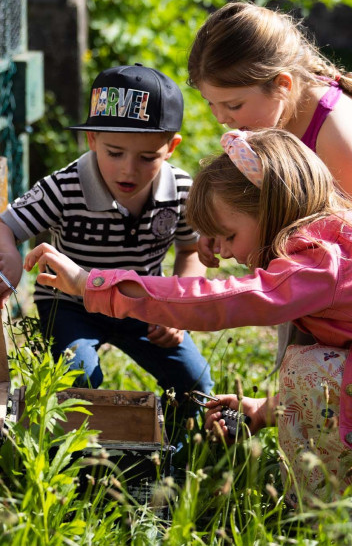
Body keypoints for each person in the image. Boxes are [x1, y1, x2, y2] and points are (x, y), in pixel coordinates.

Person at [24, 128, 352, 508]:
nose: (226, 253)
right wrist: (264, 409)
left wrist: (92, 283)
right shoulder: (336, 240)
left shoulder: (318, 266)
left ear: (270, 211)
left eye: (229, 236)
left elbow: (215, 302)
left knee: (305, 368)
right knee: (312, 367)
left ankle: (331, 515)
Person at [0, 63, 212, 433]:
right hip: (70, 306)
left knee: (194, 385)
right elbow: (6, 225)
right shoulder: (64, 187)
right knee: (77, 379)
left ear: (171, 146)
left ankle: (174, 455)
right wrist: (11, 261)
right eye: (114, 152)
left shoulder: (180, 190)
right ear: (92, 140)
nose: (128, 170)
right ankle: (83, 456)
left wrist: (177, 310)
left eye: (147, 158)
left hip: (144, 305)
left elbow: (190, 251)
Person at [187, 0, 352, 364]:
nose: (221, 117)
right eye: (211, 104)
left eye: (233, 105)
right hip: (325, 261)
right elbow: (255, 192)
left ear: (282, 84)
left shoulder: (334, 131)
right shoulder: (268, 118)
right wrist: (221, 224)